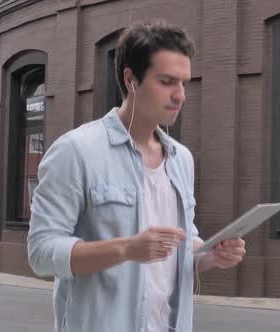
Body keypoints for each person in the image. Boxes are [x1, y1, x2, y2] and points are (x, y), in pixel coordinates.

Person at [27, 21, 246, 332]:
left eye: (184, 83)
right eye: (167, 81)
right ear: (131, 79)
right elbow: (42, 254)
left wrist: (209, 255)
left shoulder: (181, 159)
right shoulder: (76, 151)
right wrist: (127, 248)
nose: (180, 95)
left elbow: (178, 248)